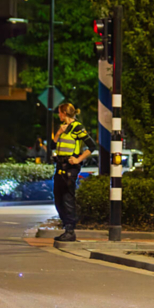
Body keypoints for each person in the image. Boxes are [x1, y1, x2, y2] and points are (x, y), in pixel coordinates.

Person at [52, 103, 95, 242]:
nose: (58, 115)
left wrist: (78, 160)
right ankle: (66, 226)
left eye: (59, 112)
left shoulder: (78, 127)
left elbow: (92, 146)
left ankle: (70, 230)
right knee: (58, 198)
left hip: (70, 167)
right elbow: (55, 142)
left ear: (64, 112)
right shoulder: (62, 128)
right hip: (60, 165)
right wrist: (59, 132)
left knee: (67, 198)